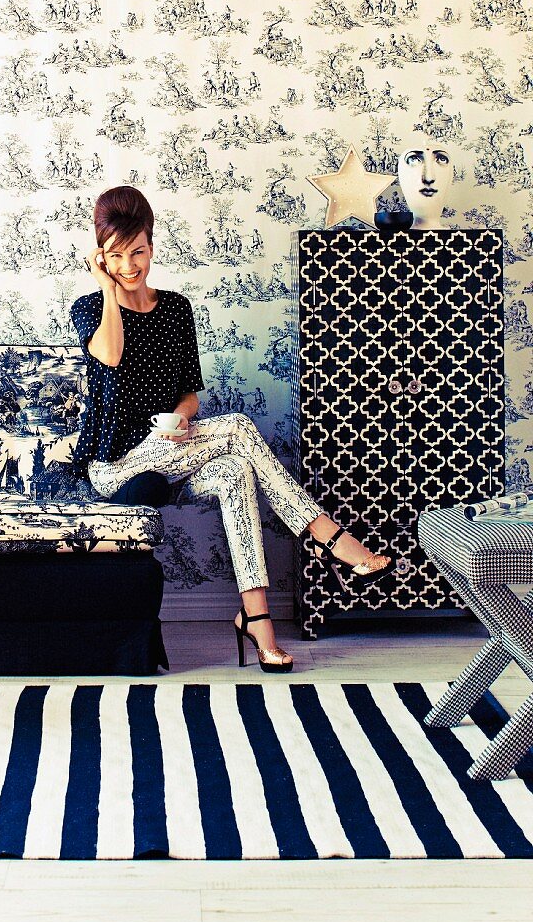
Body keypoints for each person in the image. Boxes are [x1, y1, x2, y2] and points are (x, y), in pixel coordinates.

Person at [70, 186, 393, 673]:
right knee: (239, 427)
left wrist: (182, 419)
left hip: (178, 451)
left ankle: (258, 622)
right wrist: (107, 289)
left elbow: (189, 394)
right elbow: (111, 356)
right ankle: (329, 535)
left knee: (235, 470)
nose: (131, 265)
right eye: (116, 256)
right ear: (102, 258)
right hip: (117, 464)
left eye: (138, 252)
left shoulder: (176, 309)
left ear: (153, 246)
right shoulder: (90, 309)